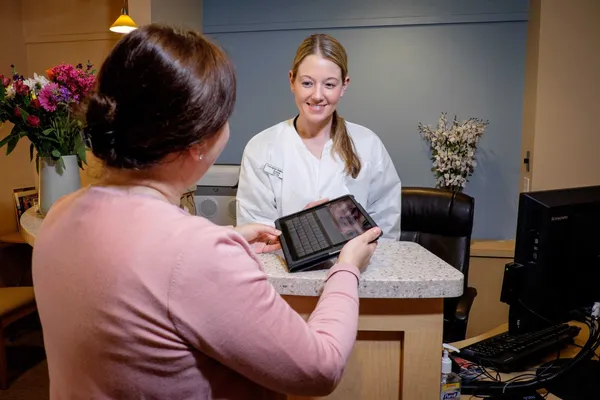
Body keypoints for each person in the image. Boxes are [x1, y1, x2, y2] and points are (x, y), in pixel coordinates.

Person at [31, 25, 382, 399]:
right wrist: (346, 268)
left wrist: (221, 242)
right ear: (199, 143)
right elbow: (321, 369)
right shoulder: (196, 254)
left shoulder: (60, 215)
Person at [236, 33, 402, 239]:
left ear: (344, 86)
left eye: (329, 85)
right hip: (282, 269)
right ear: (292, 81)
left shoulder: (368, 145)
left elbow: (385, 229)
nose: (317, 95)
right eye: (307, 83)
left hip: (358, 268)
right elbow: (257, 231)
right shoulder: (261, 147)